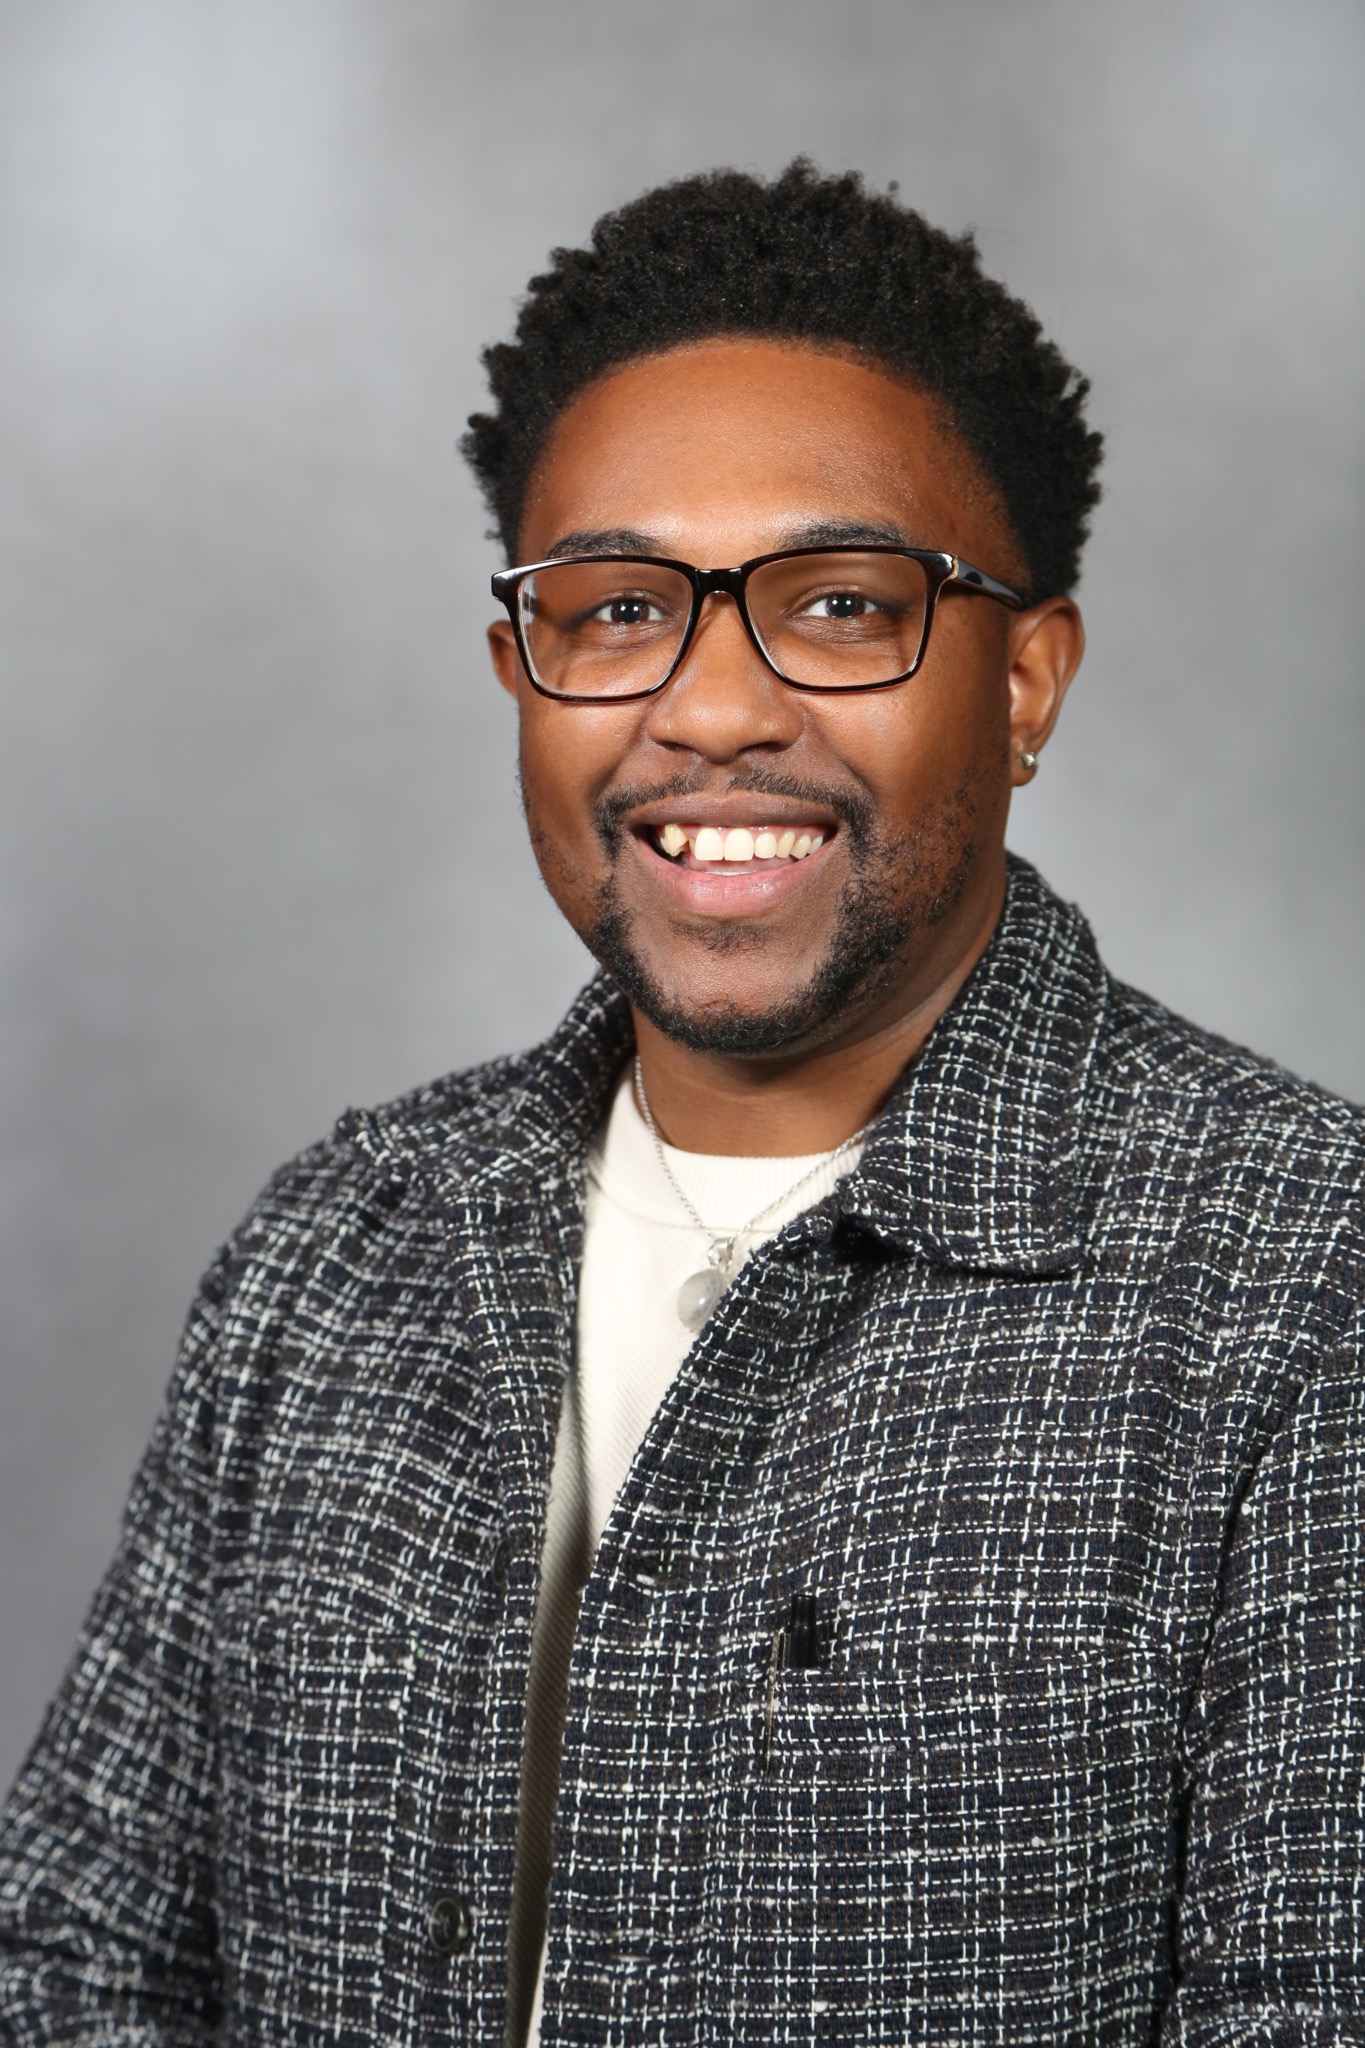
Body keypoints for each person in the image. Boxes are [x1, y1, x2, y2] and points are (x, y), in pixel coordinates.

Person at [1, 159, 1362, 2047]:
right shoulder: (339, 1248)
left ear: (1026, 682)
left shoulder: (1299, 1286)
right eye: (621, 607)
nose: (710, 711)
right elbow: (74, 1962)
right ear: (522, 670)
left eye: (839, 604)